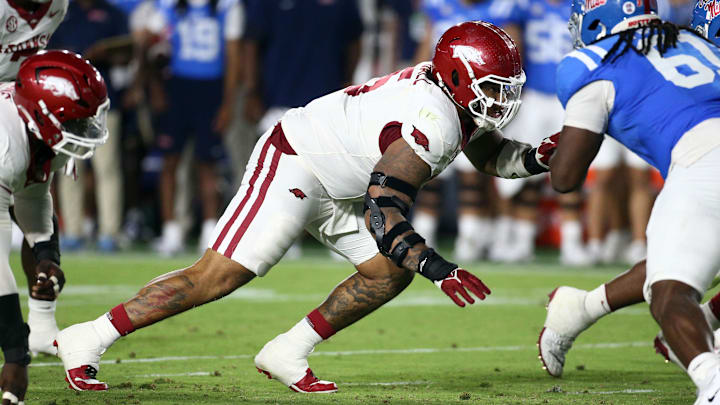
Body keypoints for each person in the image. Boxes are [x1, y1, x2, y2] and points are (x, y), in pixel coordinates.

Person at [54, 21, 557, 393]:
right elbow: (383, 213)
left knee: (386, 273)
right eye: (494, 88)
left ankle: (288, 351)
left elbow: (488, 154)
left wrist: (537, 157)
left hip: (339, 179)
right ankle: (89, 337)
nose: (502, 101)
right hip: (297, 162)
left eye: (507, 88)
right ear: (457, 75)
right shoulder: (434, 119)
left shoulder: (455, 103)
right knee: (218, 276)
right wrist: (437, 266)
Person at [535, 0, 720, 403]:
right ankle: (585, 309)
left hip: (702, 163)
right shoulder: (695, 42)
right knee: (683, 265)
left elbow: (565, 179)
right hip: (703, 160)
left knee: (671, 295)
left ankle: (712, 381)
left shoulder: (593, 63)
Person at [0, 50, 109, 405]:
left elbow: (32, 195)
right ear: (42, 114)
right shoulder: (6, 145)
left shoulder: (35, 128)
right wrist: (16, 355)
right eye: (77, 121)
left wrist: (46, 254)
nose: (86, 129)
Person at [412, 0, 519, 261]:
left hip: (478, 103)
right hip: (440, 99)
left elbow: (513, 61)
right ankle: (423, 234)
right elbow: (425, 52)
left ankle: (469, 238)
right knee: (430, 170)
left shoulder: (501, 9)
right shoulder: (437, 7)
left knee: (472, 177)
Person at [0, 0, 77, 359]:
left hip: (19, 99)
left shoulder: (57, 5)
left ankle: (43, 326)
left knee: (35, 192)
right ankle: (17, 340)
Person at [491, 0, 591, 265]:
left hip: (567, 97)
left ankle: (572, 242)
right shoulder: (523, 5)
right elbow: (509, 40)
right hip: (534, 96)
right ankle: (522, 240)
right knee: (527, 169)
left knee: (569, 168)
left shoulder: (579, 6)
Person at [143, 0, 242, 255]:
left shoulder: (226, 7)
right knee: (170, 162)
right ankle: (170, 231)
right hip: (177, 89)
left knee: (207, 164)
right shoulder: (169, 5)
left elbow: (233, 56)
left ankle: (210, 231)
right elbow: (146, 42)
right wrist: (155, 85)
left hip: (210, 91)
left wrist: (228, 103)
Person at [48, 0, 129, 252]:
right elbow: (46, 55)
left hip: (103, 101)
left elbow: (127, 55)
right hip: (68, 100)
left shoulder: (113, 14)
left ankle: (109, 232)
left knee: (107, 168)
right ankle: (72, 230)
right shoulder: (61, 14)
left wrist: (106, 54)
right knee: (69, 167)